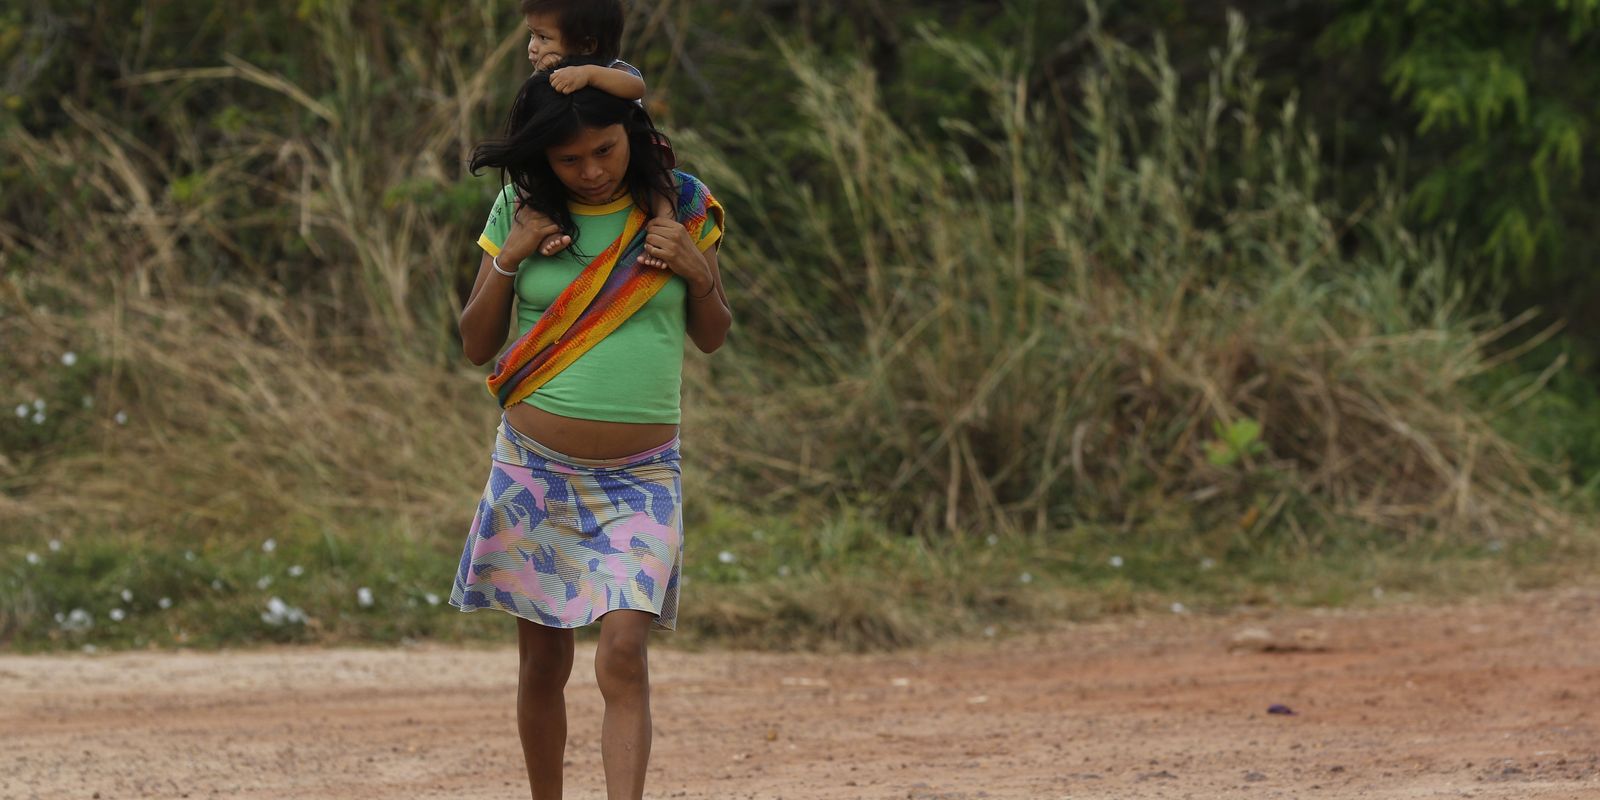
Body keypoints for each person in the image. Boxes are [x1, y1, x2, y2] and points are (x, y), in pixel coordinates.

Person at [449, 59, 729, 800]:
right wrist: (508, 260)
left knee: (624, 653)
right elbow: (476, 343)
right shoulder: (520, 209)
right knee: (543, 665)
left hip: (641, 479)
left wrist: (698, 274)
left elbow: (714, 335)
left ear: (629, 135)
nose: (591, 171)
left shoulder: (679, 210)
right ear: (543, 159)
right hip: (533, 472)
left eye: (605, 151)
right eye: (569, 160)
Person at [517, 0, 678, 265]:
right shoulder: (541, 81)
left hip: (637, 152)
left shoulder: (611, 68)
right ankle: (544, 230)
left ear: (587, 46)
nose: (533, 47)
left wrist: (589, 74)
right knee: (525, 187)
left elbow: (636, 88)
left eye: (544, 38)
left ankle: (665, 225)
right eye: (532, 34)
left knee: (663, 177)